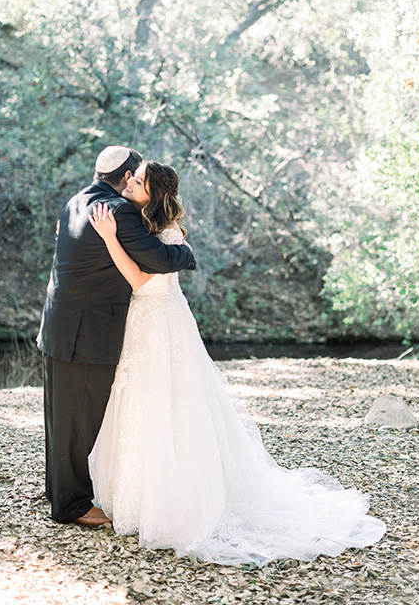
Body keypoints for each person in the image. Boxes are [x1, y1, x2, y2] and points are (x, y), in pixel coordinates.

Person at [87, 160, 386, 566]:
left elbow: (141, 280)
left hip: (162, 321)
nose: (129, 182)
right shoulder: (141, 223)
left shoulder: (169, 234)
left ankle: (177, 501)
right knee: (141, 400)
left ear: (153, 193)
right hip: (142, 321)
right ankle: (136, 493)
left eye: (138, 181)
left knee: (172, 402)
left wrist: (107, 238)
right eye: (132, 177)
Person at [37, 147, 196, 528]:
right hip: (87, 330)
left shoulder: (76, 201)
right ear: (126, 177)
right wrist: (185, 252)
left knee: (60, 416)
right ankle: (71, 506)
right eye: (135, 175)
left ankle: (57, 490)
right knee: (78, 421)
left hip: (59, 324)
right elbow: (158, 260)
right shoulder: (118, 211)